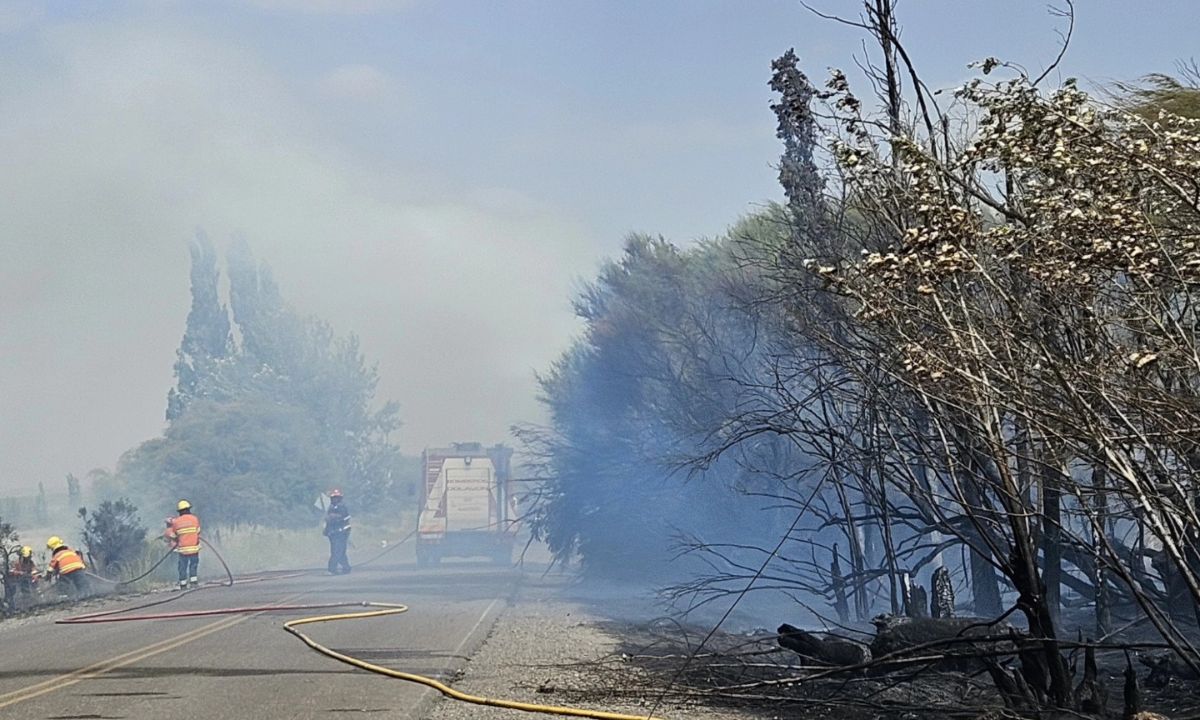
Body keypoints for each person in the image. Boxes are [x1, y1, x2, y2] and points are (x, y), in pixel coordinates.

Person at [165, 499, 201, 589]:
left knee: (182, 567)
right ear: (188, 509)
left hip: (183, 549)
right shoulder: (195, 519)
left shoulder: (176, 522)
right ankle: (193, 583)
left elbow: (172, 535)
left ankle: (183, 584)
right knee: (193, 565)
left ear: (180, 511)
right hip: (194, 548)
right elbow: (198, 531)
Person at [323, 489, 352, 575]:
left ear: (340, 498)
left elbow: (344, 518)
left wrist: (334, 518)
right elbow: (329, 521)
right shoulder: (331, 507)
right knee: (339, 551)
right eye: (333, 498)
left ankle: (332, 569)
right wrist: (326, 530)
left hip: (342, 532)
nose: (335, 499)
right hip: (334, 533)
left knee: (337, 551)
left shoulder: (342, 507)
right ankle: (346, 567)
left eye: (337, 497)